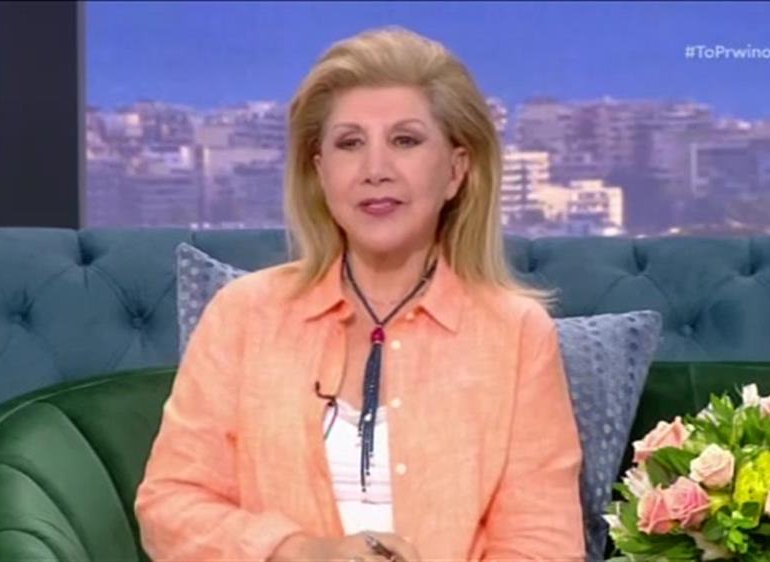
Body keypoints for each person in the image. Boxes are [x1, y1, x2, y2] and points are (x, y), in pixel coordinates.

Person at [135, 26, 585, 562]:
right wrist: (305, 553)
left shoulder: (516, 333)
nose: (375, 171)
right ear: (320, 172)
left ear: (455, 171)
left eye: (405, 141)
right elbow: (170, 506)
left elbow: (543, 544)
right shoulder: (244, 313)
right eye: (350, 143)